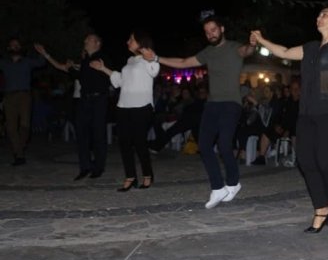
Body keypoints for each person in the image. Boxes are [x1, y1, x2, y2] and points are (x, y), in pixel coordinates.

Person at [250, 3, 328, 233]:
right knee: (305, 161)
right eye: (319, 14)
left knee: (323, 160)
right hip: (306, 114)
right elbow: (283, 52)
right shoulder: (309, 47)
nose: (319, 17)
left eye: (325, 14)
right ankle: (321, 208)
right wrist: (261, 40)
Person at [141, 15, 256, 208]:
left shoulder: (234, 48)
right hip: (212, 104)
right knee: (203, 145)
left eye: (213, 30)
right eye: (207, 32)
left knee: (224, 145)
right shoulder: (208, 52)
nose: (210, 34)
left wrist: (253, 44)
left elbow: (247, 50)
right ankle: (218, 188)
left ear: (222, 29)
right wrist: (157, 58)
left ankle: (234, 182)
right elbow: (184, 62)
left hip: (231, 104)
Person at [91, 30, 159, 191]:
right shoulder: (130, 60)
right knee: (124, 143)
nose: (128, 42)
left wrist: (153, 58)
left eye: (131, 39)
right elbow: (121, 81)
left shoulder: (148, 59)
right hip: (123, 106)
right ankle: (130, 176)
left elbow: (154, 71)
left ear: (140, 42)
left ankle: (147, 174)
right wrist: (103, 68)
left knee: (140, 143)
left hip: (142, 107)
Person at [36, 34, 111, 180]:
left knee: (98, 134)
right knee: (81, 134)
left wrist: (73, 68)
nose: (85, 41)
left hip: (98, 100)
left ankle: (98, 167)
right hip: (84, 100)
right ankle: (85, 167)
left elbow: (96, 76)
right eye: (85, 40)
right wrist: (48, 56)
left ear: (97, 43)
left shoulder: (103, 58)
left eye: (88, 40)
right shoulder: (85, 61)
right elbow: (78, 75)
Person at [0, 38, 46, 165]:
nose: (15, 46)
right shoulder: (4, 63)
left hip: (24, 96)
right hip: (9, 97)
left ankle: (18, 151)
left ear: (20, 47)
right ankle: (19, 154)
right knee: (11, 127)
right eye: (12, 45)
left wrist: (42, 52)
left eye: (17, 45)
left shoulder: (27, 61)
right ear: (9, 48)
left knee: (25, 126)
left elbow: (41, 63)